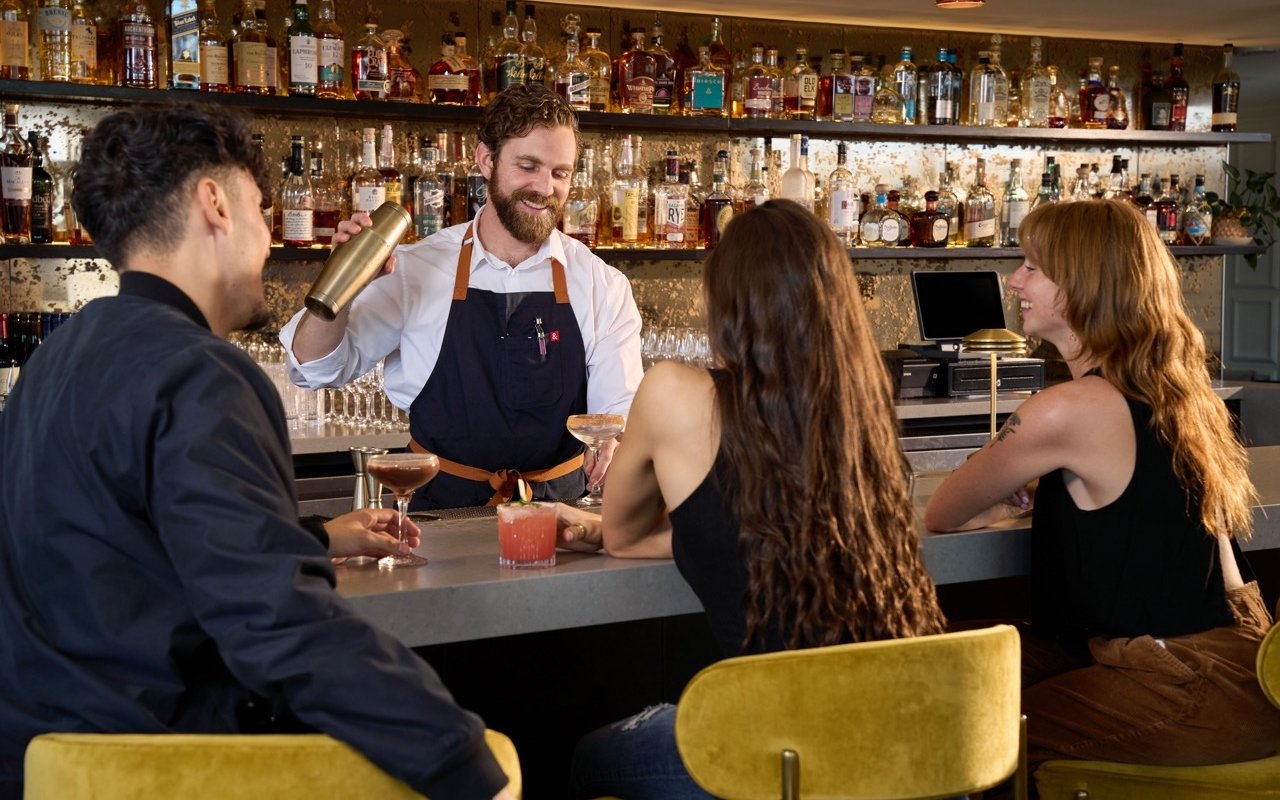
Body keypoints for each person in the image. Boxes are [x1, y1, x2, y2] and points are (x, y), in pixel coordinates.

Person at [0, 104, 513, 800]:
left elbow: (116, 547)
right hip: (169, 767)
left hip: (46, 765)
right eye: (260, 209)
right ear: (214, 204)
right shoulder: (199, 372)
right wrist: (466, 762)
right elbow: (277, 624)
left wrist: (312, 538)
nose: (269, 239)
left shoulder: (57, 359)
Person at [556, 200, 947, 799]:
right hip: (921, 742)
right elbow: (772, 525)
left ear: (727, 303)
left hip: (790, 753)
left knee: (587, 757)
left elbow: (622, 535)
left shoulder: (674, 392)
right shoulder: (863, 403)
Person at [924, 200, 1280, 775]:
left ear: (1085, 285)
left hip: (1181, 679)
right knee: (958, 667)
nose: (1015, 279)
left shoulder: (1066, 409)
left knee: (966, 732)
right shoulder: (1179, 389)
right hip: (1241, 660)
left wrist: (1001, 498)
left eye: (1035, 267)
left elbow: (941, 511)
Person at [280, 84, 643, 510]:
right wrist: (338, 287)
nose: (546, 187)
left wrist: (619, 441)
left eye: (560, 173)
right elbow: (313, 369)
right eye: (528, 166)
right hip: (437, 522)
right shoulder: (414, 267)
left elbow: (618, 412)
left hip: (559, 522)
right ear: (486, 160)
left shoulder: (601, 283)